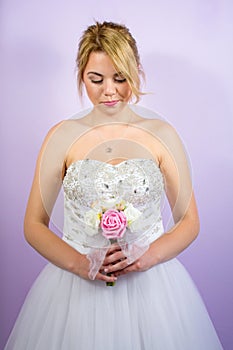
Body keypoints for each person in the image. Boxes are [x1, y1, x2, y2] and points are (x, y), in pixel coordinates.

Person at [5, 21, 223, 349]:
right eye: (97, 79)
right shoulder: (61, 137)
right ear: (82, 76)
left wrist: (147, 255)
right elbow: (33, 224)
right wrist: (82, 264)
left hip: (153, 289)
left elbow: (190, 222)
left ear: (137, 71)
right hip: (73, 290)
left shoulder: (162, 135)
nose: (109, 90)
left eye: (120, 78)